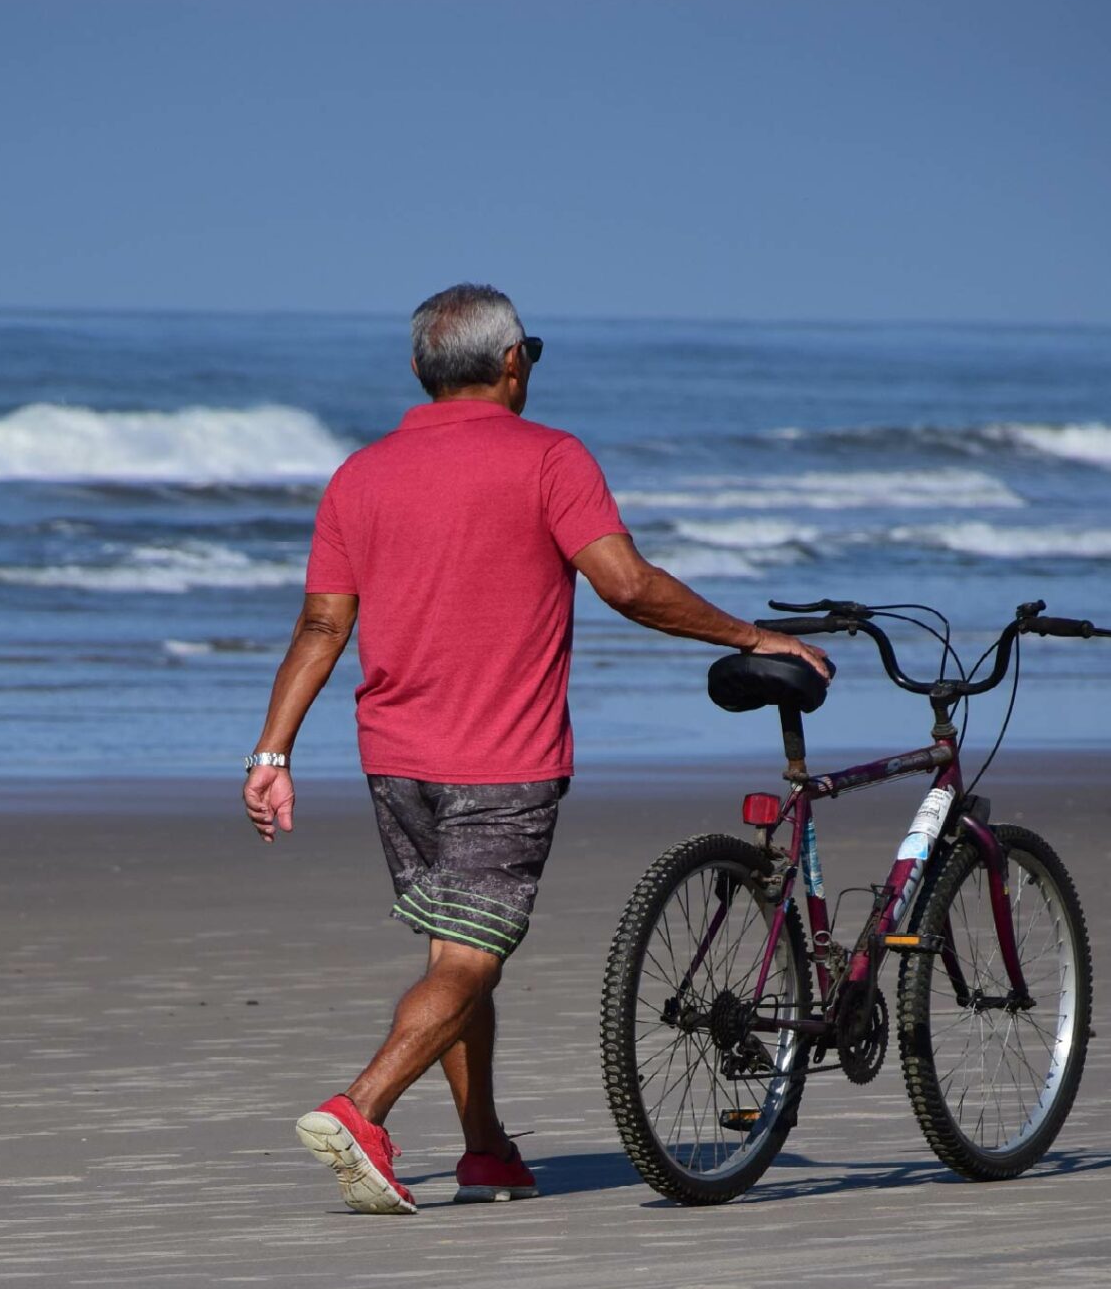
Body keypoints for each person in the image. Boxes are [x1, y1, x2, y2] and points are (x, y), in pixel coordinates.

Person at [243, 283, 830, 1214]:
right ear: (513, 363)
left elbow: (321, 623)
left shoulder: (362, 472)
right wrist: (750, 637)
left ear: (418, 372)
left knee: (456, 952)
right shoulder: (551, 457)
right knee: (471, 961)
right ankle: (361, 1110)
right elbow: (628, 586)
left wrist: (270, 757)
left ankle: (486, 1152)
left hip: (393, 757)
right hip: (503, 760)